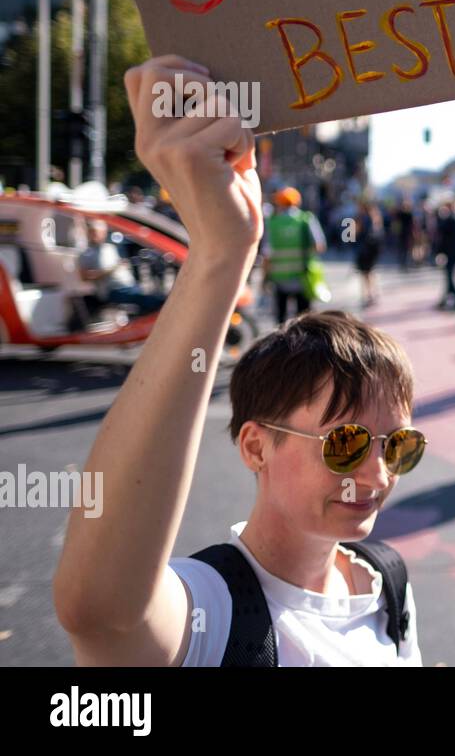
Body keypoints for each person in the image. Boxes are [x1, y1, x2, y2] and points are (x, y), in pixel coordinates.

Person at [53, 54, 424, 666]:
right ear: (255, 447)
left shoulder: (388, 581)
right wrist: (222, 254)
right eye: (349, 443)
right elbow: (101, 612)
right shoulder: (213, 614)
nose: (380, 475)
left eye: (400, 446)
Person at [77, 217, 168, 319]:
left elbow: (118, 266)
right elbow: (84, 277)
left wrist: (122, 265)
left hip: (129, 286)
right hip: (112, 291)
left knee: (153, 298)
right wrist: (111, 269)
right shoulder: (85, 254)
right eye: (94, 232)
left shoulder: (110, 248)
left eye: (100, 232)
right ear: (88, 233)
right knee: (153, 301)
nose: (97, 235)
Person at [263, 186, 326, 326]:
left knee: (281, 322)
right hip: (302, 277)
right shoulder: (306, 220)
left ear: (278, 203)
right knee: (304, 321)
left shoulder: (272, 223)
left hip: (279, 279)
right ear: (297, 202)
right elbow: (319, 246)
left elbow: (266, 253)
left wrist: (265, 277)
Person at [354, 196, 384, 309]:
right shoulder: (375, 217)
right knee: (370, 272)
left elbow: (352, 234)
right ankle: (372, 294)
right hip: (372, 250)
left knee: (365, 273)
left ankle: (367, 295)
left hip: (365, 249)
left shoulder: (362, 218)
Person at [433, 200, 455, 310]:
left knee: (450, 278)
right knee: (448, 277)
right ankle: (444, 301)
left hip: (453, 253)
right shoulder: (452, 220)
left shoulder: (452, 220)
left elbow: (445, 236)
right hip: (452, 252)